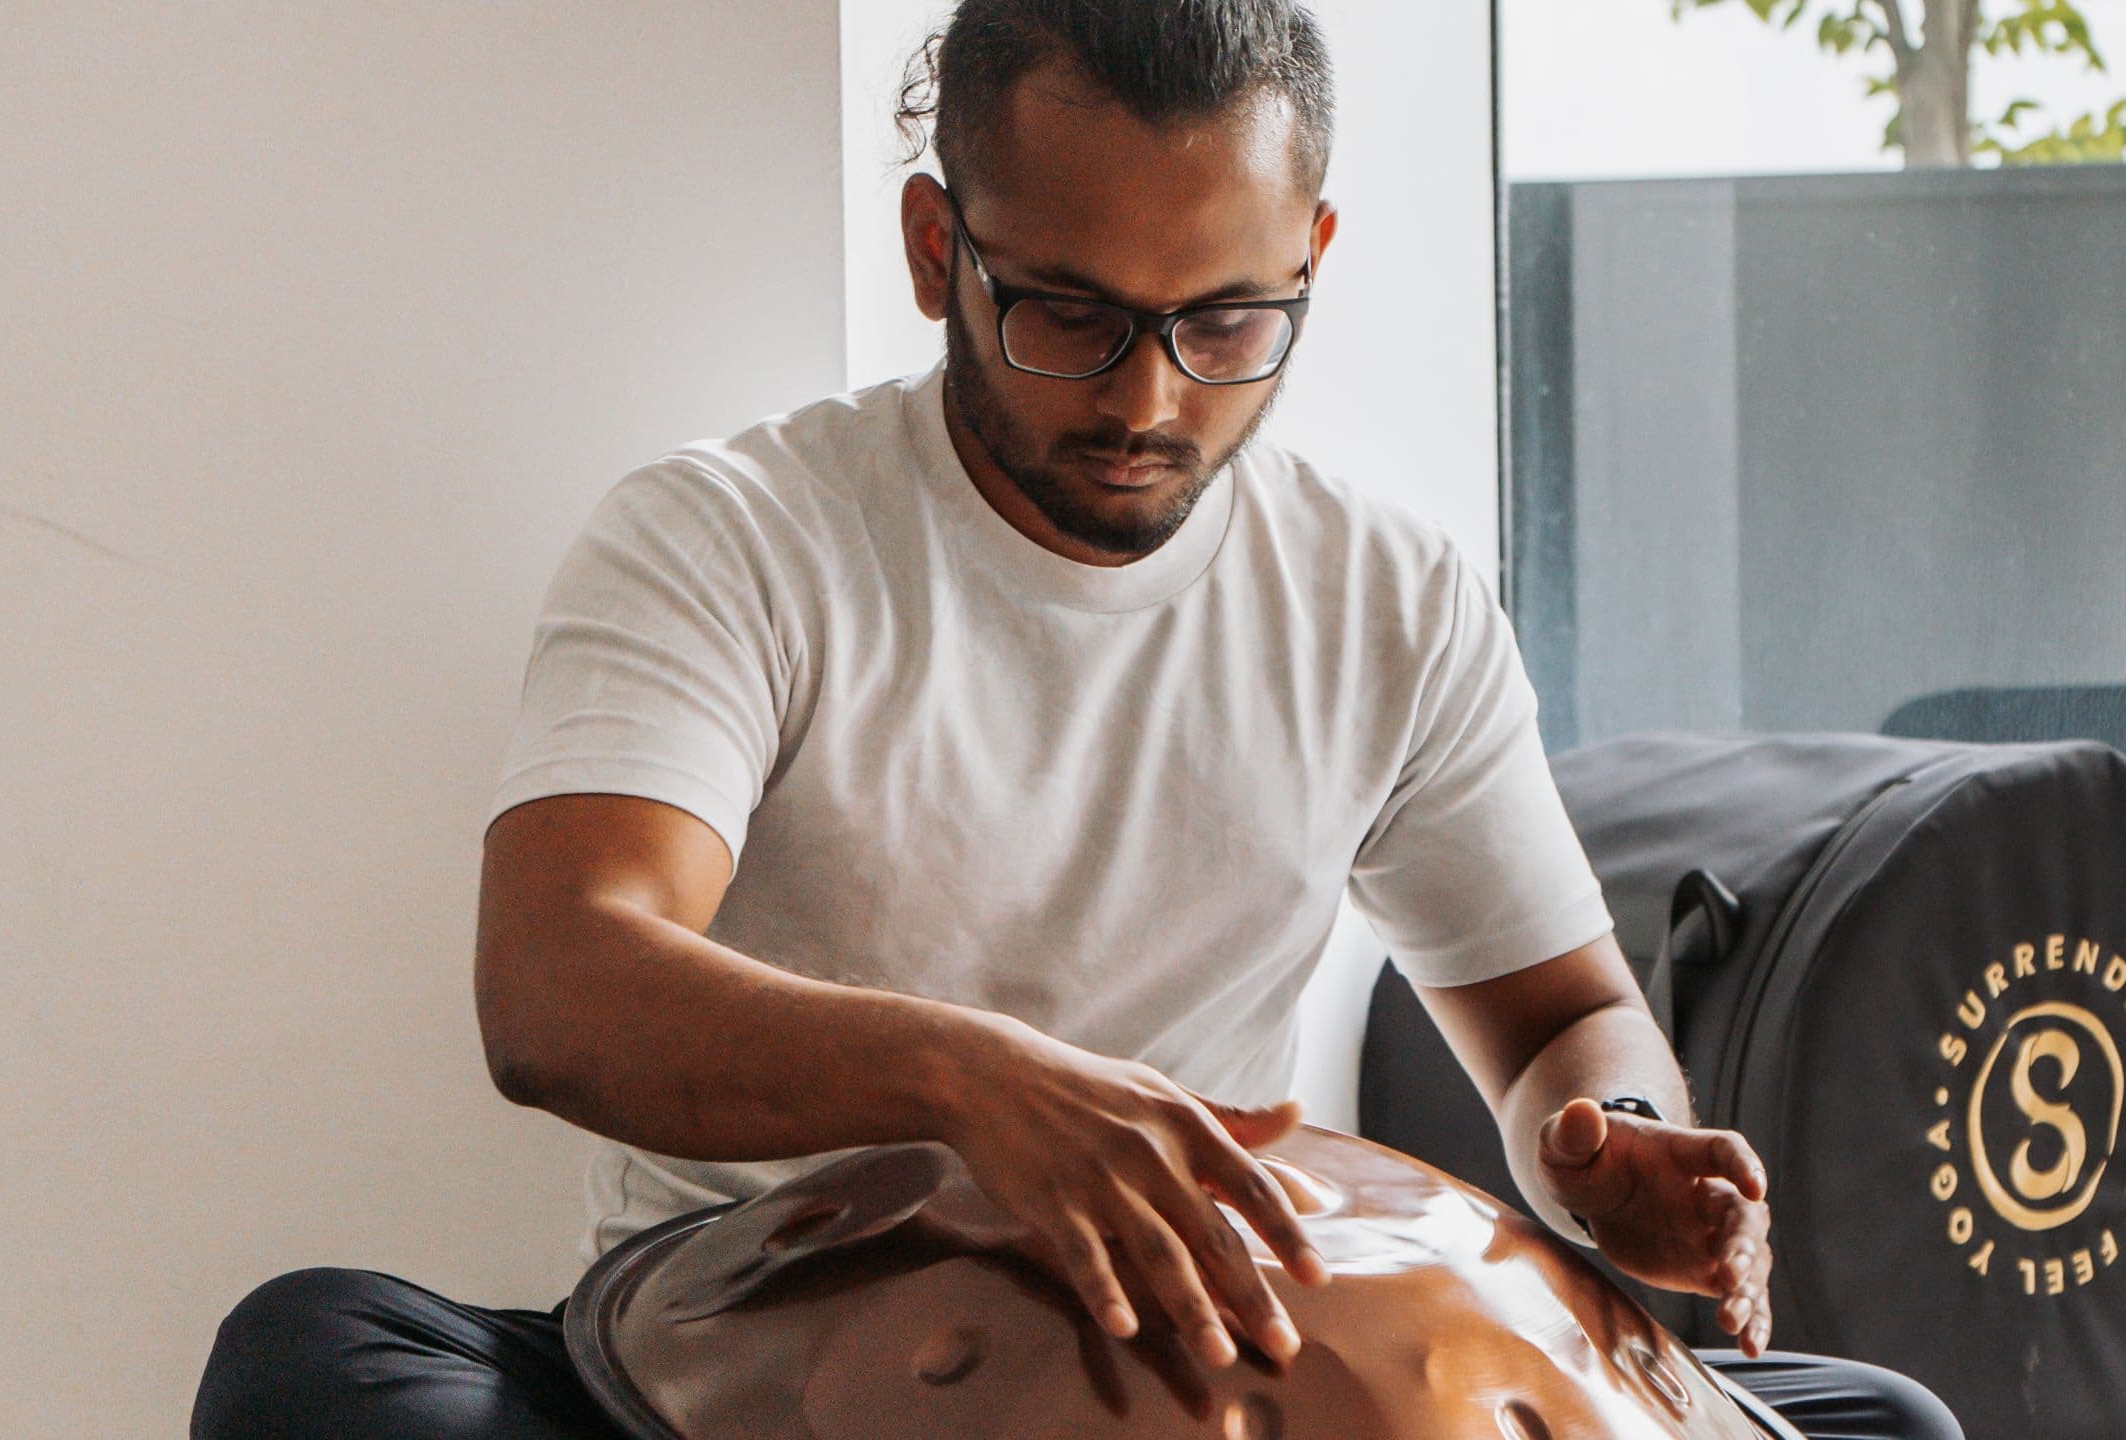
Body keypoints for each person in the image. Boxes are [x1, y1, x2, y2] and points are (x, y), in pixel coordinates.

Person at [192, 4, 1960, 1437]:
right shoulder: (735, 538)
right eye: (1070, 315)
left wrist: (1621, 1148)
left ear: (1313, 255)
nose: (1147, 397)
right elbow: (560, 983)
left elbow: (1568, 1022)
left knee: (1876, 1422)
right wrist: (974, 1083)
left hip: (1196, 1355)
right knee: (318, 1369)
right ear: (931, 246)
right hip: (758, 1347)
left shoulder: (1386, 594)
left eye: (1230, 322)